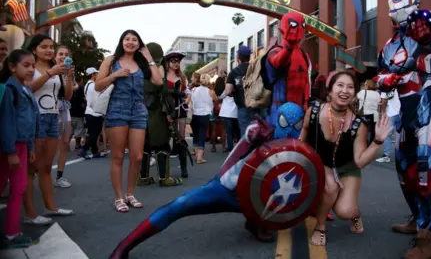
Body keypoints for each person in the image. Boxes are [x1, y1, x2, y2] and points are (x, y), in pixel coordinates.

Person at [109, 102, 309, 259]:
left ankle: (256, 222)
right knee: (179, 206)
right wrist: (255, 138)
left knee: (270, 201)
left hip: (257, 199)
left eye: (297, 124)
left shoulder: (295, 145)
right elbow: (244, 143)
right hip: (226, 189)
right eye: (285, 122)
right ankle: (124, 245)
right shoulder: (260, 129)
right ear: (277, 119)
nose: (290, 128)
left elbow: (305, 176)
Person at [374, 0, 431, 257]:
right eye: (395, 10)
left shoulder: (427, 28)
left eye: (404, 8)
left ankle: (429, 238)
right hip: (407, 107)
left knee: (430, 165)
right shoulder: (389, 47)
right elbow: (379, 75)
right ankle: (418, 218)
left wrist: (420, 23)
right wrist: (386, 80)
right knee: (405, 166)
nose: (398, 13)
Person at [301, 71, 391, 246]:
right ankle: (320, 227)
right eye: (340, 85)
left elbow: (359, 161)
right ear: (330, 90)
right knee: (330, 186)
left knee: (344, 211)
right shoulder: (314, 112)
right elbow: (304, 132)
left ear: (355, 93)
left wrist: (378, 141)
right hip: (322, 162)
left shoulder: (359, 123)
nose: (345, 90)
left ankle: (355, 214)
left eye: (350, 87)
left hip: (347, 167)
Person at [94, 30, 163, 213]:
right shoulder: (111, 61)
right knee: (117, 156)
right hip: (117, 108)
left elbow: (158, 81)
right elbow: (98, 85)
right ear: (121, 41)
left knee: (137, 156)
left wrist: (148, 57)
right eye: (127, 39)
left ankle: (130, 194)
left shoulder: (141, 63)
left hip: (139, 109)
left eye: (134, 40)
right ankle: (118, 197)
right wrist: (114, 76)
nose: (130, 42)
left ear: (139, 44)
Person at [24, 34, 74, 225]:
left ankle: (51, 207)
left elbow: (67, 96)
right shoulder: (30, 67)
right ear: (34, 49)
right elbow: (27, 89)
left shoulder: (57, 70)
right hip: (34, 118)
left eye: (51, 47)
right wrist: (51, 73)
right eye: (44, 47)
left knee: (46, 167)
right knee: (31, 169)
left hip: (53, 117)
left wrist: (68, 77)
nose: (49, 50)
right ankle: (30, 213)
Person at [0, 49, 38, 248]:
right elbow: (7, 123)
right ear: (12, 67)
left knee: (19, 188)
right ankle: (10, 232)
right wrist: (11, 151)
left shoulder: (25, 89)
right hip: (11, 148)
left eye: (33, 65)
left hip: (22, 146)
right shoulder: (10, 89)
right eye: (26, 65)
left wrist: (30, 146)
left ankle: (12, 232)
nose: (31, 69)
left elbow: (29, 122)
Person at [137, 42, 183, 187]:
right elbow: (161, 89)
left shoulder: (138, 70)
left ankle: (143, 178)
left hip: (140, 113)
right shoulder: (158, 69)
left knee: (144, 146)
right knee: (162, 144)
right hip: (158, 112)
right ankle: (164, 178)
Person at [263, 11, 311, 127]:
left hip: (300, 111)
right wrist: (288, 47)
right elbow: (277, 62)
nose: (298, 29)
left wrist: (306, 103)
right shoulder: (275, 51)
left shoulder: (304, 55)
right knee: (278, 142)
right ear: (282, 30)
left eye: (302, 25)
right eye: (293, 25)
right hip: (278, 110)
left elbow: (306, 81)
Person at [164, 50, 190, 178]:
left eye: (178, 61)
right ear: (167, 62)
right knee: (165, 137)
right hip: (166, 109)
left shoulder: (183, 77)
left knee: (181, 137)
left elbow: (188, 92)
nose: (176, 64)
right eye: (173, 61)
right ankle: (164, 170)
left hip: (180, 109)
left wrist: (185, 99)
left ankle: (184, 168)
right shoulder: (162, 76)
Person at [54, 46, 74, 189]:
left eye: (66, 54)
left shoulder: (68, 74)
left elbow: (68, 95)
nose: (63, 56)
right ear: (55, 57)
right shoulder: (50, 71)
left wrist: (69, 77)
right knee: (45, 144)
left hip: (64, 109)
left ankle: (59, 176)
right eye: (60, 54)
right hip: (50, 109)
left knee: (65, 142)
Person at [220, 46, 252, 135]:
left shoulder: (234, 72)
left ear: (238, 57)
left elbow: (227, 91)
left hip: (242, 106)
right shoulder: (255, 69)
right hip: (256, 106)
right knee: (256, 132)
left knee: (245, 134)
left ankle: (246, 149)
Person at [79, 67, 107, 159]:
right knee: (95, 133)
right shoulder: (93, 86)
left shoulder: (87, 85)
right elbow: (95, 98)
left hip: (89, 111)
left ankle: (95, 151)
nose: (98, 75)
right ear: (93, 75)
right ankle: (84, 149)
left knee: (93, 132)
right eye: (96, 74)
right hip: (95, 112)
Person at [356, 80, 381, 144]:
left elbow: (352, 102)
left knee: (362, 130)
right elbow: (378, 103)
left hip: (364, 114)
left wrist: (355, 111)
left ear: (367, 85)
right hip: (375, 114)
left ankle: (363, 144)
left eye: (365, 84)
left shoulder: (362, 92)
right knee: (372, 130)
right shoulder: (377, 94)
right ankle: (370, 144)